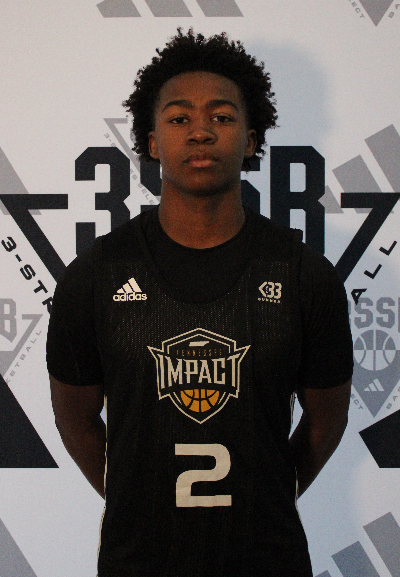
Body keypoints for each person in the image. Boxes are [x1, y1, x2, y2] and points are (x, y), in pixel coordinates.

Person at [47, 29, 353, 577]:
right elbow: (76, 422)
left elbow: (325, 423)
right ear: (152, 142)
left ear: (251, 140)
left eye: (222, 116)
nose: (201, 131)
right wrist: (136, 499)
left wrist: (268, 494)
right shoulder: (94, 275)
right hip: (137, 562)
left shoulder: (305, 275)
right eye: (179, 118)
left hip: (268, 560)